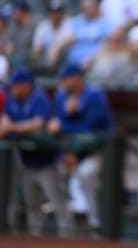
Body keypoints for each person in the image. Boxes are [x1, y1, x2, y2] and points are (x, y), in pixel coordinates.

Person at [0, 68, 74, 236]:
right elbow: (5, 118)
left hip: (48, 162)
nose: (12, 89)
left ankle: (70, 240)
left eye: (16, 85)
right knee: (32, 206)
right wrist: (8, 124)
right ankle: (35, 240)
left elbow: (39, 123)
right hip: (27, 162)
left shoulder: (39, 97)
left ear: (26, 85)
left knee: (59, 204)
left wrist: (12, 127)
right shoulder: (13, 98)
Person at [48, 63, 113, 234]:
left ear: (78, 78)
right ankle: (67, 223)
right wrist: (68, 150)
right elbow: (58, 125)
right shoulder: (62, 95)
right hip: (72, 150)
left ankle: (95, 221)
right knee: (55, 173)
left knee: (86, 173)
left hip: (98, 151)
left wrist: (65, 122)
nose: (64, 82)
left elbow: (90, 125)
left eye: (67, 78)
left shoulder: (94, 94)